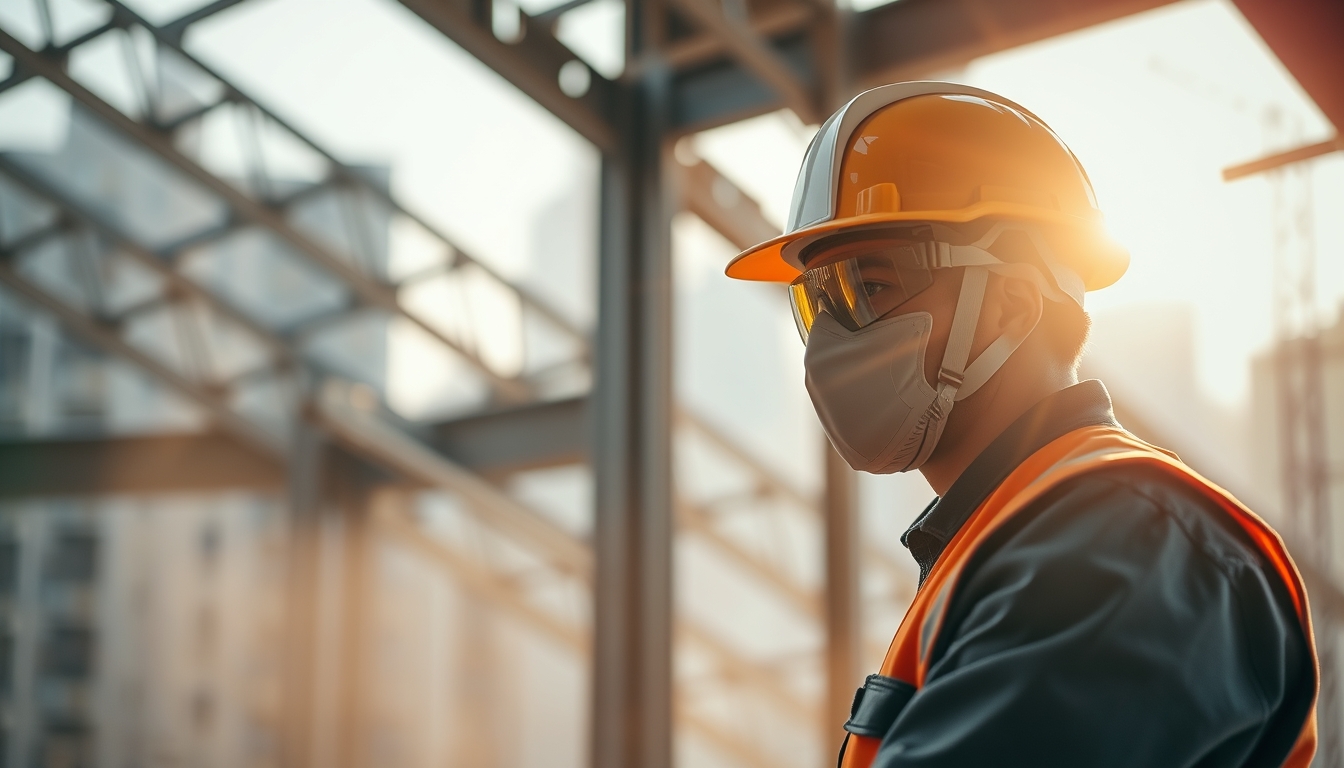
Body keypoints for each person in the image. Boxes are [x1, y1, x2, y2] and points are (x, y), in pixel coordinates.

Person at [724, 82, 1318, 767]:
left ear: (1008, 306)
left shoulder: (1121, 542)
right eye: (816, 301)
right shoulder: (1008, 539)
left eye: (870, 287)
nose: (828, 340)